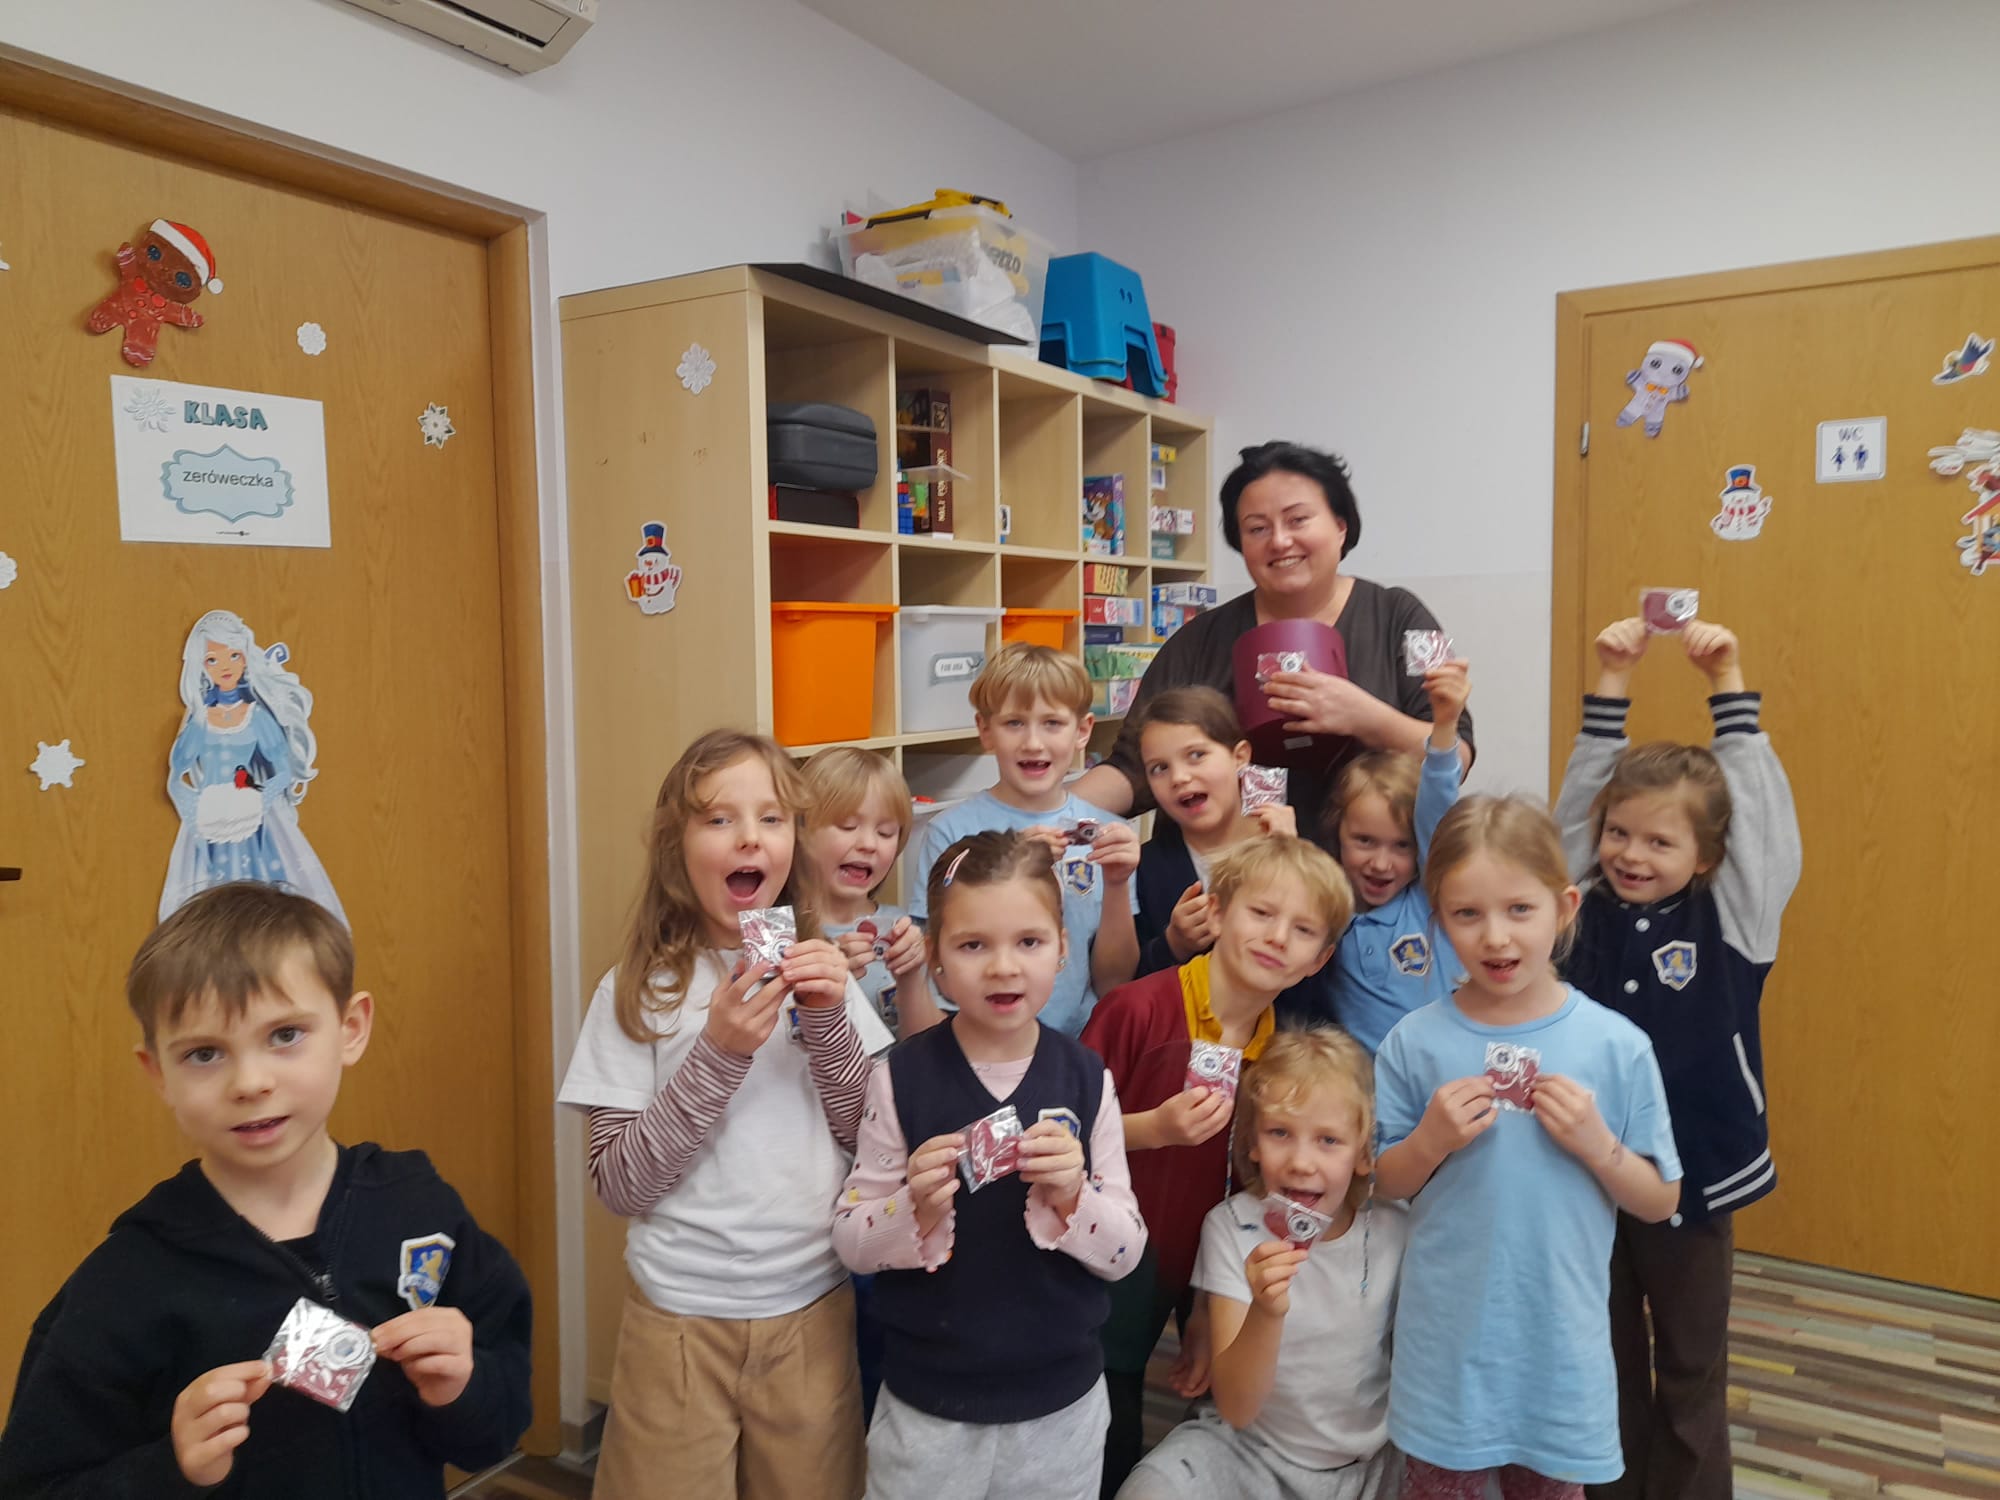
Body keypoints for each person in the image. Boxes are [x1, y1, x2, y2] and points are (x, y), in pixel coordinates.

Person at [0, 883, 532, 1497]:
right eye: (204, 1053)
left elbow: (493, 1430)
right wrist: (172, 1470)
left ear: (351, 1028)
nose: (250, 1082)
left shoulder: (420, 1207)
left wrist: (463, 1388)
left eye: (285, 1035)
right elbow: (35, 1485)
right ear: (158, 1073)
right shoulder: (129, 1278)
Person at [556, 729, 894, 1500]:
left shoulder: (824, 975)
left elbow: (870, 1144)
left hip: (811, 1311)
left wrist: (829, 1024)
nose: (750, 837)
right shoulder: (636, 991)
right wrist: (719, 1052)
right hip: (675, 1321)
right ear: (675, 846)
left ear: (794, 843)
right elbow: (620, 1185)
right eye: (719, 819)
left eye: (772, 818)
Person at [1554, 618, 1800, 1500]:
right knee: (1604, 1356)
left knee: (1692, 1366)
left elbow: (1762, 822)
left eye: (1660, 842)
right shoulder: (1574, 904)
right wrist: (1611, 681)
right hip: (1585, 1170)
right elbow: (1574, 816)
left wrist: (1728, 681)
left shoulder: (1734, 915)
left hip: (1697, 1173)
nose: (1631, 854)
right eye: (1619, 834)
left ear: (1708, 856)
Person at [1373, 797, 1682, 1498]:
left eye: (1520, 909)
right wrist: (1429, 1141)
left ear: (1564, 907)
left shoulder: (1617, 1046)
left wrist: (1600, 1147)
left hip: (1559, 1349)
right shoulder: (1413, 1042)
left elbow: (1661, 1199)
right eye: (1466, 913)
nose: (1496, 937)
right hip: (1447, 1347)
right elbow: (1382, 1182)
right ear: (1437, 919)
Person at [835, 830, 1146, 1500]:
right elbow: (852, 1242)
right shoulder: (901, 1078)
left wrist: (1075, 1198)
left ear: (1063, 948)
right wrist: (912, 1208)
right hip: (927, 1407)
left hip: (1060, 1408)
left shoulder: (1086, 1078)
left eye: (1028, 942)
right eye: (973, 945)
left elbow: (1125, 1252)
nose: (1004, 968)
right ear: (936, 960)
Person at [1083, 836, 1353, 1496]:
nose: (1277, 937)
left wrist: (1206, 1302)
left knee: (1140, 1434)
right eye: (1261, 913)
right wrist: (1153, 1129)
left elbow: (1239, 1194)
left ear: (1318, 959)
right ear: (1219, 910)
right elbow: (1061, 1132)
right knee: (1097, 1437)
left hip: (1182, 1274)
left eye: (1302, 931)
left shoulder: (1276, 1059)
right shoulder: (1136, 1010)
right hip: (1092, 1271)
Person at [1074, 442, 1474, 837]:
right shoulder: (1199, 639)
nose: (1280, 541)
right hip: (1225, 869)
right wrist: (1047, 812)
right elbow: (1131, 766)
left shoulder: (1402, 618)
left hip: (1372, 870)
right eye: (1257, 528)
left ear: (1340, 526)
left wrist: (1364, 716)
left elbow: (1457, 754)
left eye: (1298, 520)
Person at [1119, 1028, 1408, 1500]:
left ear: (1362, 1153)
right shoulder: (1233, 1226)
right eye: (1279, 1133)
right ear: (1252, 1143)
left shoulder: (1395, 1227)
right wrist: (1266, 1311)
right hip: (1247, 1449)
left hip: (1368, 1465)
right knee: (1149, 1490)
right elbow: (1236, 1407)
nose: (1301, 1162)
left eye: (1328, 1140)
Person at [909, 643, 1141, 1035]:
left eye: (1052, 723)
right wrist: (1010, 863)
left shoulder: (1109, 834)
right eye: (1014, 723)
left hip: (1079, 1043)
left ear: (1083, 731)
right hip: (978, 1044)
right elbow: (935, 969)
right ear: (985, 730)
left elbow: (1114, 982)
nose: (1033, 742)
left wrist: (1117, 883)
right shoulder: (949, 832)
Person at [1303, 657, 1470, 1050]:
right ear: (1337, 833)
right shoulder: (1327, 909)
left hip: (1447, 1072)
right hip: (1364, 1083)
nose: (1380, 863)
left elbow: (1437, 806)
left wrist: (1445, 726)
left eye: (1401, 846)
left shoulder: (1430, 899)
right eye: (1364, 841)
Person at [159, 608, 347, 925]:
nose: (225, 666)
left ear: (246, 658)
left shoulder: (256, 716)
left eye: (234, 655)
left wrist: (256, 800)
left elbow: (282, 771)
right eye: (212, 660)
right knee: (209, 901)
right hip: (210, 817)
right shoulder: (200, 721)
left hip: (253, 817)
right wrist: (193, 808)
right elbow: (178, 772)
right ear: (201, 667)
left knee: (264, 896)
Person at [1125, 687, 1298, 978]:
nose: (1179, 777)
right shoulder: (1145, 869)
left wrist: (1294, 862)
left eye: (1196, 755)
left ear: (1239, 756)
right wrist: (1173, 944)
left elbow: (1322, 952)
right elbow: (1131, 980)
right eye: (1159, 768)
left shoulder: (1287, 840)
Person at [800, 746, 940, 1041]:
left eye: (886, 833)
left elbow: (929, 1047)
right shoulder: (782, 937)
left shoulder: (904, 930)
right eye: (848, 826)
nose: (869, 844)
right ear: (800, 831)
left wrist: (911, 978)